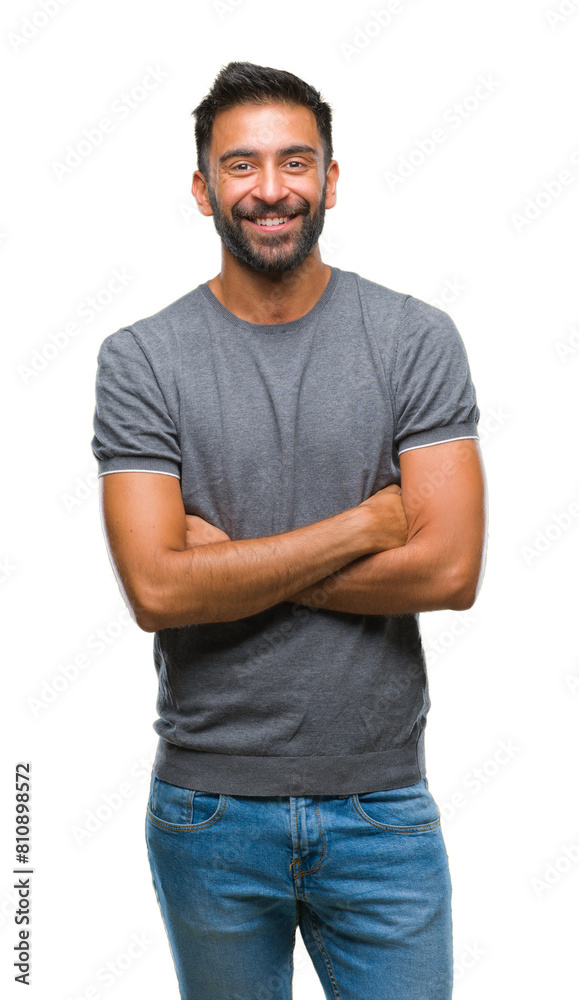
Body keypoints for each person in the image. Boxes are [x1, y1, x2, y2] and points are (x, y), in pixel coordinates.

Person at [91, 60, 487, 1000]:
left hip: (381, 808)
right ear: (202, 189)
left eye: (294, 162)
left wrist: (225, 564)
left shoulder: (413, 339)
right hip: (207, 809)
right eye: (240, 166)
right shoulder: (142, 359)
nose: (269, 189)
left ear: (331, 181)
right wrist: (363, 524)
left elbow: (450, 569)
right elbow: (155, 591)